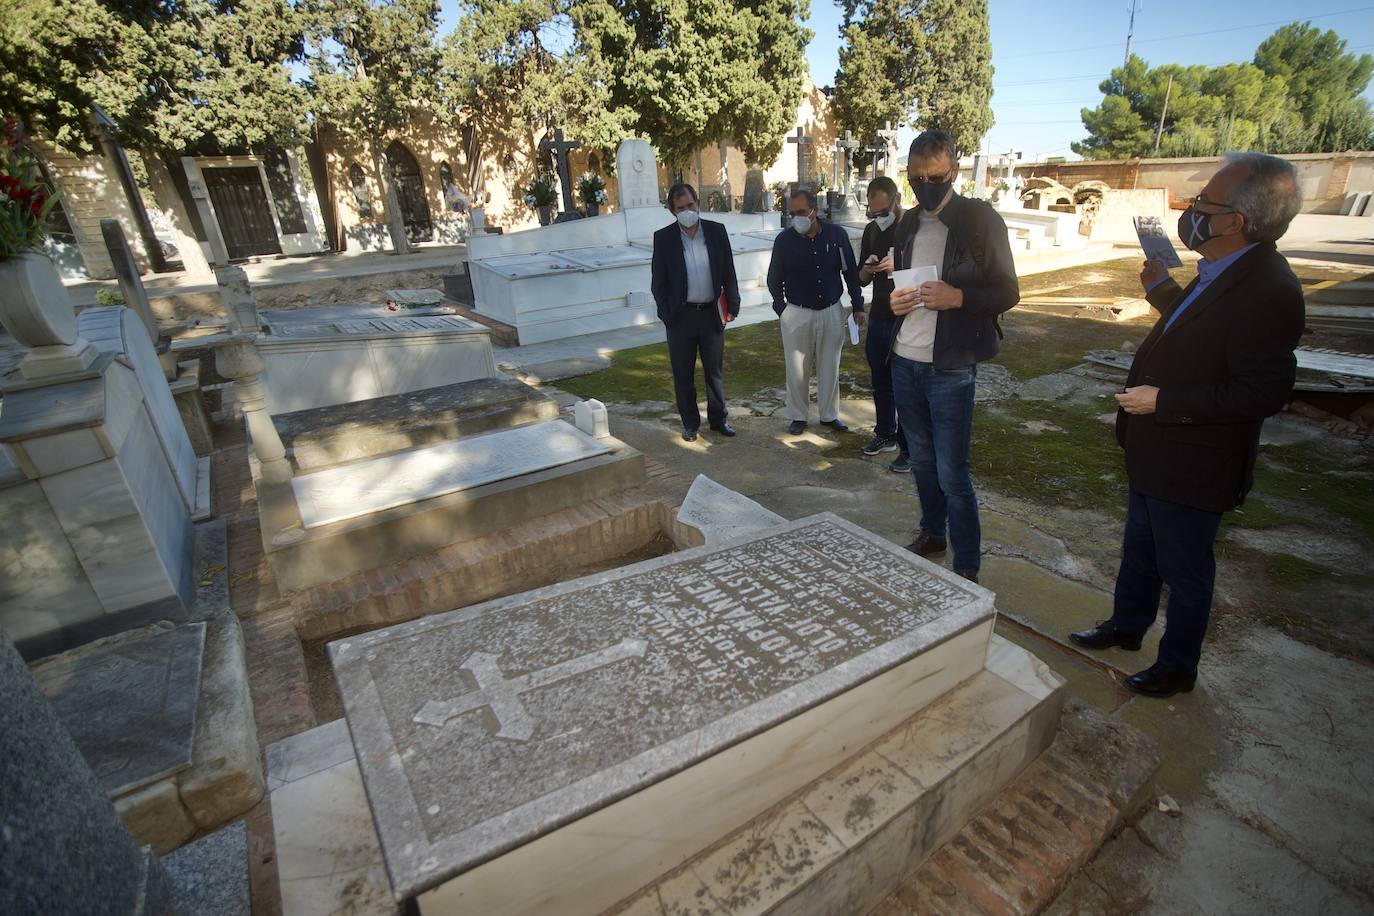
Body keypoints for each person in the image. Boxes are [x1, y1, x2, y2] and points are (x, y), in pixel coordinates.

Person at [1070, 152, 1305, 698]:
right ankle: (1127, 627)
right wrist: (1162, 294)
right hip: (1157, 452)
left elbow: (1264, 390)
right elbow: (1204, 336)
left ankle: (1177, 667)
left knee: (1186, 573)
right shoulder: (1222, 270)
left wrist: (1165, 400)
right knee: (1141, 553)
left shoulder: (1270, 288)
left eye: (1204, 202)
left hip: (1196, 462)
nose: (1193, 209)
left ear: (1233, 222)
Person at [887, 130, 1020, 584]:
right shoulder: (907, 223)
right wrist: (894, 303)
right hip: (906, 359)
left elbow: (1008, 291)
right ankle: (932, 532)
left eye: (935, 176)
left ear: (954, 172)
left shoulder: (980, 220)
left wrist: (958, 296)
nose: (926, 185)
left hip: (951, 367)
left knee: (952, 470)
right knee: (921, 460)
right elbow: (896, 287)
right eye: (916, 177)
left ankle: (967, 563)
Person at [767, 187, 864, 436]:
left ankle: (829, 415)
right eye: (792, 213)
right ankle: (798, 416)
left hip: (831, 309)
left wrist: (858, 305)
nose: (796, 217)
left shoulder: (836, 235)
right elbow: (773, 278)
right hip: (797, 312)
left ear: (814, 210)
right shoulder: (784, 240)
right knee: (797, 367)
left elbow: (850, 273)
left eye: (801, 212)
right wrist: (782, 309)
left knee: (830, 364)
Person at [650, 183, 742, 441]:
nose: (687, 211)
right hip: (681, 318)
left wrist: (732, 305)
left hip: (711, 314)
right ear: (672, 211)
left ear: (698, 203)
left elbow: (728, 273)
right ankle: (690, 423)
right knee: (683, 373)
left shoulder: (716, 232)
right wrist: (666, 314)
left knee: (714, 372)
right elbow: (659, 282)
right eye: (680, 208)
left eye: (690, 205)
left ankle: (718, 420)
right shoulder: (664, 238)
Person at [856, 176, 910, 473]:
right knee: (880, 379)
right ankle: (885, 433)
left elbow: (926, 273)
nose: (878, 217)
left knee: (905, 383)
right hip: (879, 313)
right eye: (873, 212)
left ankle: (908, 446)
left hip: (905, 317)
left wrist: (897, 266)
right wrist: (868, 266)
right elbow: (861, 278)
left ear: (896, 199)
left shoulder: (911, 228)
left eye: (883, 210)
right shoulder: (872, 230)